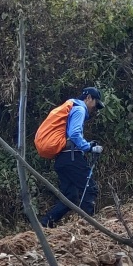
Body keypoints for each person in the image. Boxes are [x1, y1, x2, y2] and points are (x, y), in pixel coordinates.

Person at [42, 86, 104, 227]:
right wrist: (88, 147)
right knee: (90, 188)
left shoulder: (70, 108)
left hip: (61, 159)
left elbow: (70, 135)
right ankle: (88, 227)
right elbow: (75, 134)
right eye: (95, 104)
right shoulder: (80, 109)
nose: (94, 108)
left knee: (70, 196)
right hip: (72, 158)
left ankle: (45, 223)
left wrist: (87, 145)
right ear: (88, 98)